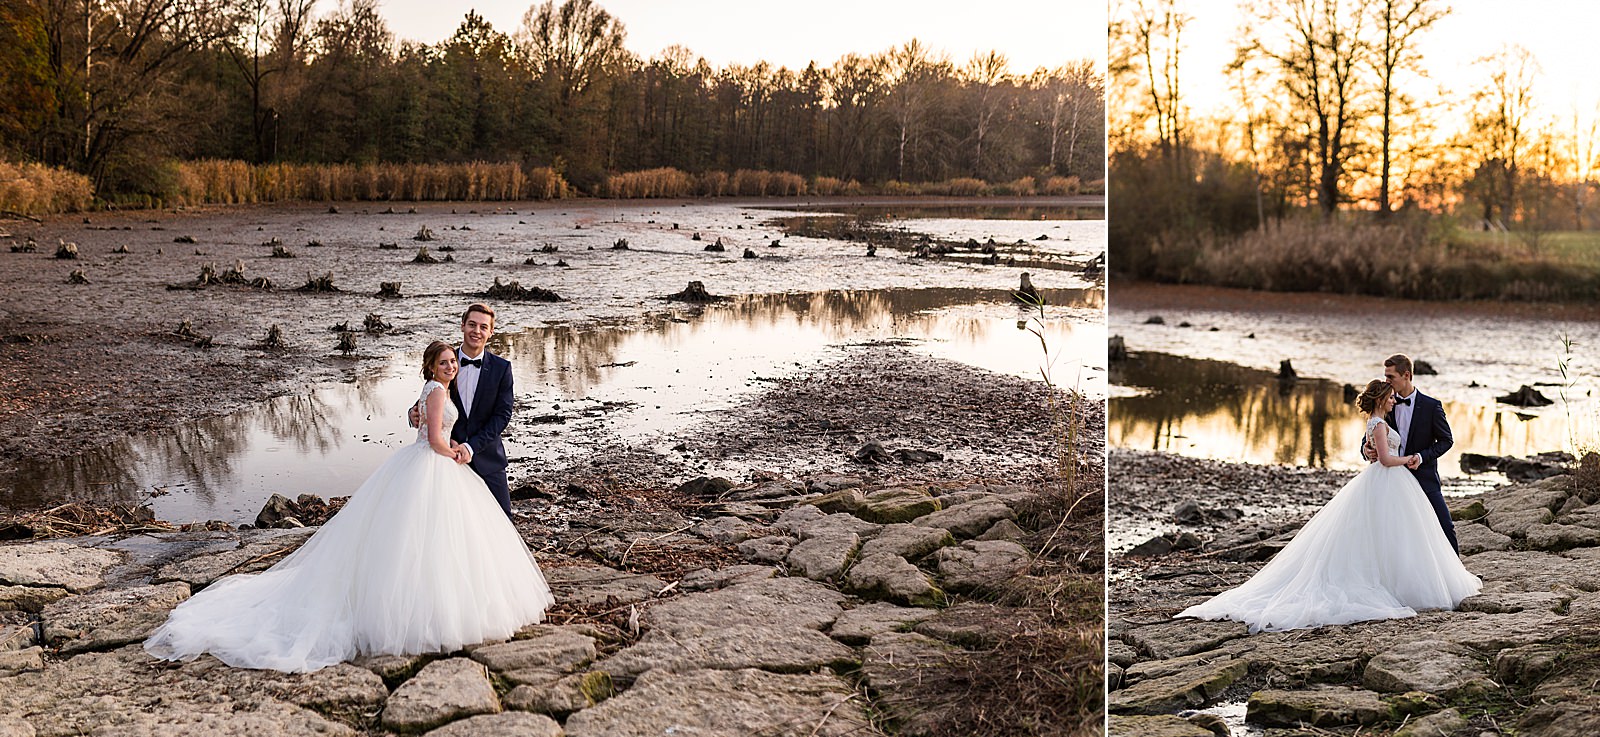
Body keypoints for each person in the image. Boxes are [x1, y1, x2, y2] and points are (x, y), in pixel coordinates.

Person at [145, 341, 554, 673]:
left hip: (435, 462)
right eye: (444, 362)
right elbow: (433, 438)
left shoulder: (444, 386)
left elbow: (454, 418)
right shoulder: (436, 389)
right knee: (417, 536)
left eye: (453, 362)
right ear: (432, 366)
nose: (451, 366)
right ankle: (418, 614)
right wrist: (457, 453)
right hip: (434, 463)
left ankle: (444, 605)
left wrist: (447, 437)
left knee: (435, 538)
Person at [1177, 379, 1480, 633]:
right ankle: (1396, 585)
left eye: (1393, 393)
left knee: (1401, 532)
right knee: (1386, 531)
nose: (1393, 401)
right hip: (1389, 477)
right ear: (1381, 400)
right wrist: (1409, 459)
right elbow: (1385, 458)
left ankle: (1407, 580)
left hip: (1396, 481)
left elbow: (1396, 445)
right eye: (1389, 398)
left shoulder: (1388, 418)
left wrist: (1392, 453)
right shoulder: (1378, 422)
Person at [411, 303, 516, 519]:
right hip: (448, 460)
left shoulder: (501, 368)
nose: (477, 331)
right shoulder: (447, 361)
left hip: (487, 457)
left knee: (502, 519)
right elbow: (432, 394)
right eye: (472, 325)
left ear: (491, 332)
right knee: (450, 520)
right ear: (462, 326)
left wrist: (471, 446)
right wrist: (413, 412)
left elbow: (502, 415)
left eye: (483, 327)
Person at [1363, 353, 1458, 552]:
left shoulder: (1431, 407)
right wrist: (1366, 449)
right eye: (1385, 376)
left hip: (1423, 477)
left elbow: (1446, 440)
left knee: (1444, 525)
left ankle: (1455, 569)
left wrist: (1421, 457)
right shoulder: (1385, 403)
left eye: (1391, 377)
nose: (1386, 381)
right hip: (1389, 480)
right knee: (1388, 529)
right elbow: (1370, 434)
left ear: (1406, 375)